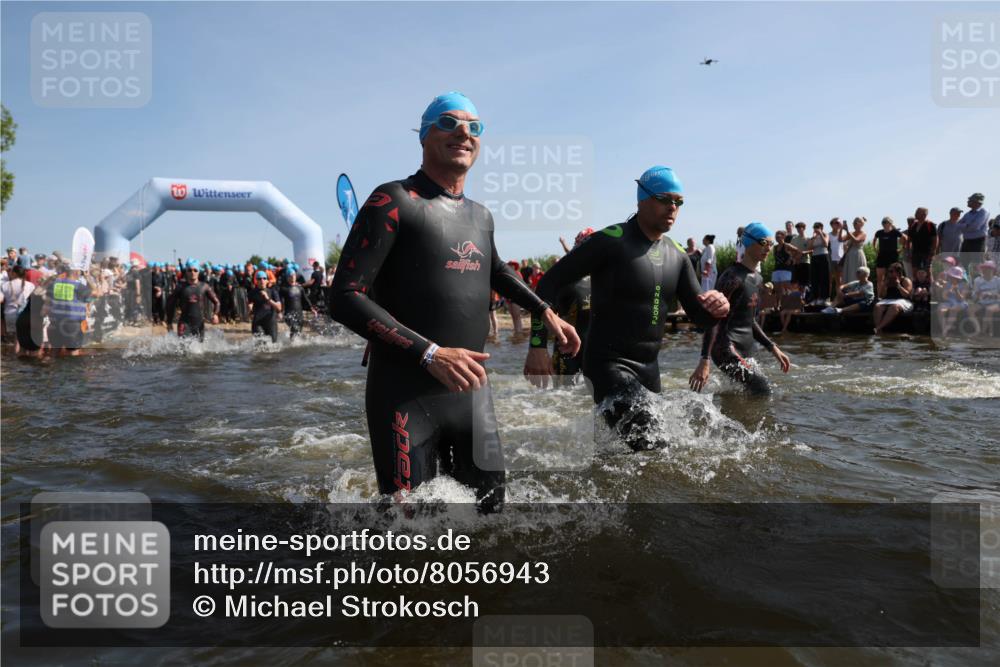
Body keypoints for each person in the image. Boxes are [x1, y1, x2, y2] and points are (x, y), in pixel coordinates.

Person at [329, 91, 579, 512]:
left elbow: (496, 270)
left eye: (474, 127)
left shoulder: (481, 216)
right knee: (410, 529)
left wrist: (544, 310)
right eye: (449, 123)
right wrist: (430, 353)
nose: (464, 132)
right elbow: (343, 297)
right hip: (405, 393)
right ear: (424, 136)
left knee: (493, 518)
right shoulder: (393, 200)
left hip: (472, 394)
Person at [524, 165, 728, 450]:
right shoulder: (611, 240)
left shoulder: (678, 255)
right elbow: (548, 284)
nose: (672, 207)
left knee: (646, 455)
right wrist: (537, 345)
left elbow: (701, 319)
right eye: (664, 199)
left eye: (678, 202)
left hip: (650, 370)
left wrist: (718, 308)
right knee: (654, 448)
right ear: (641, 199)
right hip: (607, 365)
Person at [690, 222, 790, 396]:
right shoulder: (732, 277)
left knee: (745, 395)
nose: (768, 248)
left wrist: (773, 348)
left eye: (771, 244)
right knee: (763, 391)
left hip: (747, 346)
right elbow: (713, 319)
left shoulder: (758, 279)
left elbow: (750, 320)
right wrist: (704, 359)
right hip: (725, 348)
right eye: (763, 242)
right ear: (748, 243)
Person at [549, 228, 594, 385]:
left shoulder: (601, 278)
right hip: (566, 348)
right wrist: (540, 349)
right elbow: (545, 314)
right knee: (562, 392)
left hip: (592, 348)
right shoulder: (562, 278)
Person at [45, 264, 95, 356]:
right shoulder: (79, 286)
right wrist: (88, 278)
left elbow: (47, 300)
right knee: (72, 352)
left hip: (55, 323)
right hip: (72, 325)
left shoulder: (53, 285)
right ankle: (71, 366)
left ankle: (51, 365)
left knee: (54, 351)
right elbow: (97, 294)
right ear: (76, 272)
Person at [166, 262, 220, 341]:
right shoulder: (180, 287)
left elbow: (217, 302)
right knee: (182, 346)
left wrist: (215, 314)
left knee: (199, 347)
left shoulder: (204, 286)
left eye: (195, 270)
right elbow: (171, 304)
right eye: (190, 270)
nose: (192, 272)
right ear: (186, 272)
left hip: (199, 324)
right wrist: (169, 322)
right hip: (184, 323)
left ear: (199, 272)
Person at [1, 265, 36, 353]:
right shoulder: (30, 285)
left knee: (15, 339)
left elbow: (1, 300)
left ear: (14, 273)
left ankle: (15, 358)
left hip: (10, 314)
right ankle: (24, 358)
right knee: (24, 338)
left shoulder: (4, 285)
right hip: (25, 315)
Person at [872, 262, 913, 335]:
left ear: (898, 272)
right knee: (877, 306)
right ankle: (878, 329)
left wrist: (899, 286)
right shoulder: (887, 280)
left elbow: (907, 295)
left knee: (894, 306)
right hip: (888, 300)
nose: (889, 273)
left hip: (902, 300)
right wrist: (884, 286)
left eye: (891, 271)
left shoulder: (906, 280)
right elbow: (881, 295)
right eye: (888, 271)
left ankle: (878, 328)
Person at [280, 271, 314, 340]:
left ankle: (293, 343)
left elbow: (305, 299)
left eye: (294, 275)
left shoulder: (300, 288)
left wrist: (311, 308)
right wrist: (280, 312)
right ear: (287, 278)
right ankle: (293, 343)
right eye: (290, 276)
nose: (292, 277)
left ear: (296, 277)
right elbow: (280, 301)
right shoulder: (283, 289)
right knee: (294, 328)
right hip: (288, 313)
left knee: (298, 331)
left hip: (299, 313)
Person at [968, 261, 999, 337]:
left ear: (993, 270)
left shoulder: (998, 280)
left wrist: (992, 295)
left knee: (989, 310)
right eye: (984, 268)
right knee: (970, 310)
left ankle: (983, 331)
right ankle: (978, 330)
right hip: (982, 302)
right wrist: (977, 294)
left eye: (988, 268)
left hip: (995, 302)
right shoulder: (978, 280)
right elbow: (974, 296)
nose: (986, 270)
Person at [249, 270, 282, 342]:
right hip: (258, 322)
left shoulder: (273, 292)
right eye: (259, 279)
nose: (262, 280)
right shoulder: (252, 293)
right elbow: (249, 304)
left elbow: (279, 308)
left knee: (273, 345)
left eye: (264, 278)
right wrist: (250, 308)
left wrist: (268, 299)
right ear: (256, 281)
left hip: (271, 322)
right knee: (260, 344)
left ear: (267, 280)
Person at [873, 216, 903, 293]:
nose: (884, 224)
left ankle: (896, 294)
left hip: (893, 256)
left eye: (886, 222)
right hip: (882, 256)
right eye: (883, 222)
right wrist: (876, 249)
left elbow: (905, 239)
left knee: (895, 276)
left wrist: (901, 249)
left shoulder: (895, 232)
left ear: (890, 223)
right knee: (880, 278)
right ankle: (880, 295)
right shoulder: (879, 232)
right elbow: (874, 240)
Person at [904, 207, 938, 276]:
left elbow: (935, 239)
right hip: (915, 252)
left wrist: (933, 251)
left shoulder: (930, 225)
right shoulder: (913, 225)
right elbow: (909, 240)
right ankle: (915, 283)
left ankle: (930, 283)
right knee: (914, 270)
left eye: (917, 212)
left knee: (927, 270)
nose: (915, 214)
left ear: (924, 215)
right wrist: (908, 252)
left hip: (927, 252)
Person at [958, 193, 990, 258]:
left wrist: (965, 226)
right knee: (963, 262)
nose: (968, 201)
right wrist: (967, 225)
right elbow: (958, 226)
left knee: (976, 262)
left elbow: (975, 226)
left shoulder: (983, 212)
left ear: (976, 202)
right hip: (966, 241)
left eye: (970, 200)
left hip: (978, 242)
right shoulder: (967, 214)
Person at [807, 221, 830, 303]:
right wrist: (813, 237)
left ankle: (824, 297)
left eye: (817, 227)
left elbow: (826, 244)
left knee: (824, 277)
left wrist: (820, 234)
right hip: (815, 257)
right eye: (814, 227)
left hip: (823, 256)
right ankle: (815, 297)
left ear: (821, 228)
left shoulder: (825, 235)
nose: (816, 229)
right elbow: (809, 247)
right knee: (814, 278)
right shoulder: (813, 237)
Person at [841, 216, 868, 286]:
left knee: (858, 273)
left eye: (856, 223)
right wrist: (842, 229)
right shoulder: (851, 233)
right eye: (854, 223)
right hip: (849, 256)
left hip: (858, 255)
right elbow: (840, 239)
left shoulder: (863, 233)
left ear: (861, 224)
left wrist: (847, 231)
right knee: (849, 273)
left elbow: (856, 240)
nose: (854, 224)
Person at [771, 230, 795, 301]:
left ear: (783, 237)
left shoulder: (787, 245)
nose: (777, 237)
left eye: (779, 236)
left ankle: (790, 303)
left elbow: (797, 251)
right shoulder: (775, 247)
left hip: (786, 270)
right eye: (776, 236)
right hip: (777, 269)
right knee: (777, 289)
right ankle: (778, 305)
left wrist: (791, 259)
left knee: (787, 289)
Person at [789, 222, 811, 289]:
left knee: (805, 284)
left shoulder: (808, 239)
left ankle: (804, 295)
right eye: (797, 228)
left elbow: (811, 250)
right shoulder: (794, 239)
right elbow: (790, 250)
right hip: (796, 263)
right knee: (795, 283)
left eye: (800, 228)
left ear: (804, 228)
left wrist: (803, 253)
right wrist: (794, 257)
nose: (798, 229)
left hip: (805, 262)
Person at [828, 218, 845, 293]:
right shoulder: (828, 235)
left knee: (839, 280)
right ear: (832, 225)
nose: (838, 225)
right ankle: (828, 297)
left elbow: (845, 246)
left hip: (840, 259)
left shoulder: (843, 234)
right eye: (836, 223)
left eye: (839, 223)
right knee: (829, 280)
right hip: (831, 259)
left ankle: (839, 296)